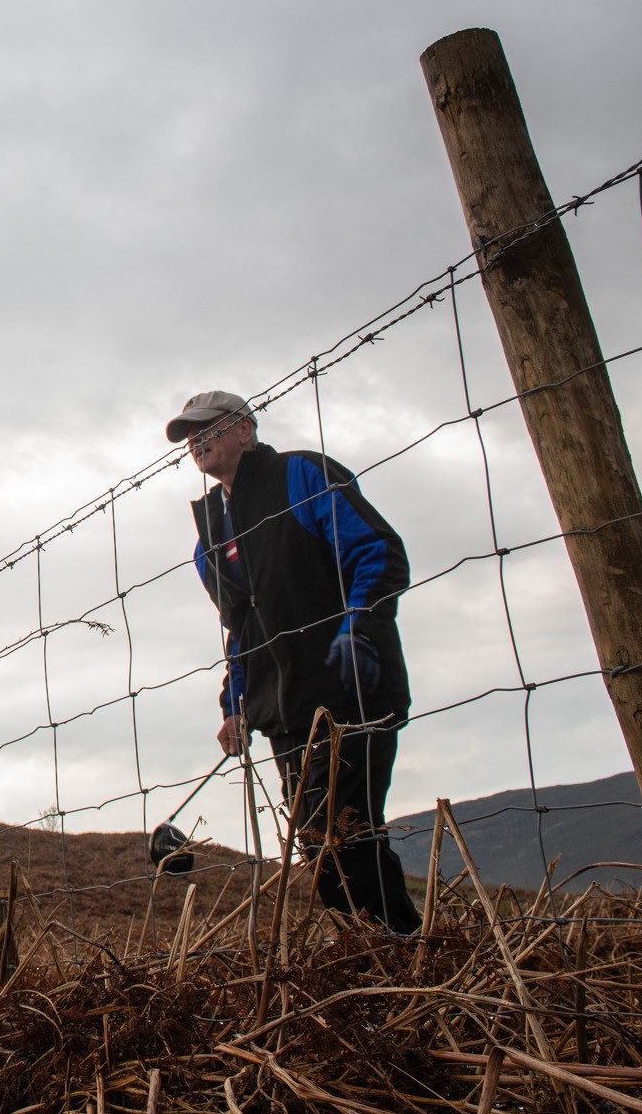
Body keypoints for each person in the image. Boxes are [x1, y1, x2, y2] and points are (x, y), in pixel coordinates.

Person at [170, 389, 423, 935]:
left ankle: (403, 955)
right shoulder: (209, 533)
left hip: (350, 687)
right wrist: (234, 703)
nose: (196, 442)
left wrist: (359, 631)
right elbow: (241, 626)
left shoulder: (302, 475)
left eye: (208, 428)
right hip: (282, 714)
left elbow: (377, 553)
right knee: (318, 845)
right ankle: (385, 956)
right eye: (189, 436)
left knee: (346, 836)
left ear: (245, 430)